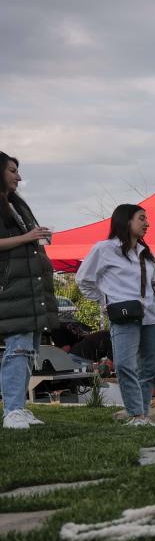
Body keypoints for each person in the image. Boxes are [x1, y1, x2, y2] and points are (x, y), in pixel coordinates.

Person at [76, 204, 155, 426]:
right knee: (125, 364)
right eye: (142, 218)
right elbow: (83, 280)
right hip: (123, 315)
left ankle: (141, 415)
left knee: (149, 368)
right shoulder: (104, 249)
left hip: (152, 316)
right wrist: (106, 300)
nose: (147, 223)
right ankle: (136, 414)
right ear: (126, 221)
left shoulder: (148, 253)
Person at [0, 152, 57, 429]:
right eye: (12, 171)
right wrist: (27, 237)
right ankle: (12, 410)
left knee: (28, 350)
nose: (18, 177)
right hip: (11, 290)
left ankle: (19, 408)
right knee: (18, 349)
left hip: (29, 290)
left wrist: (36, 237)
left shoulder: (15, 205)